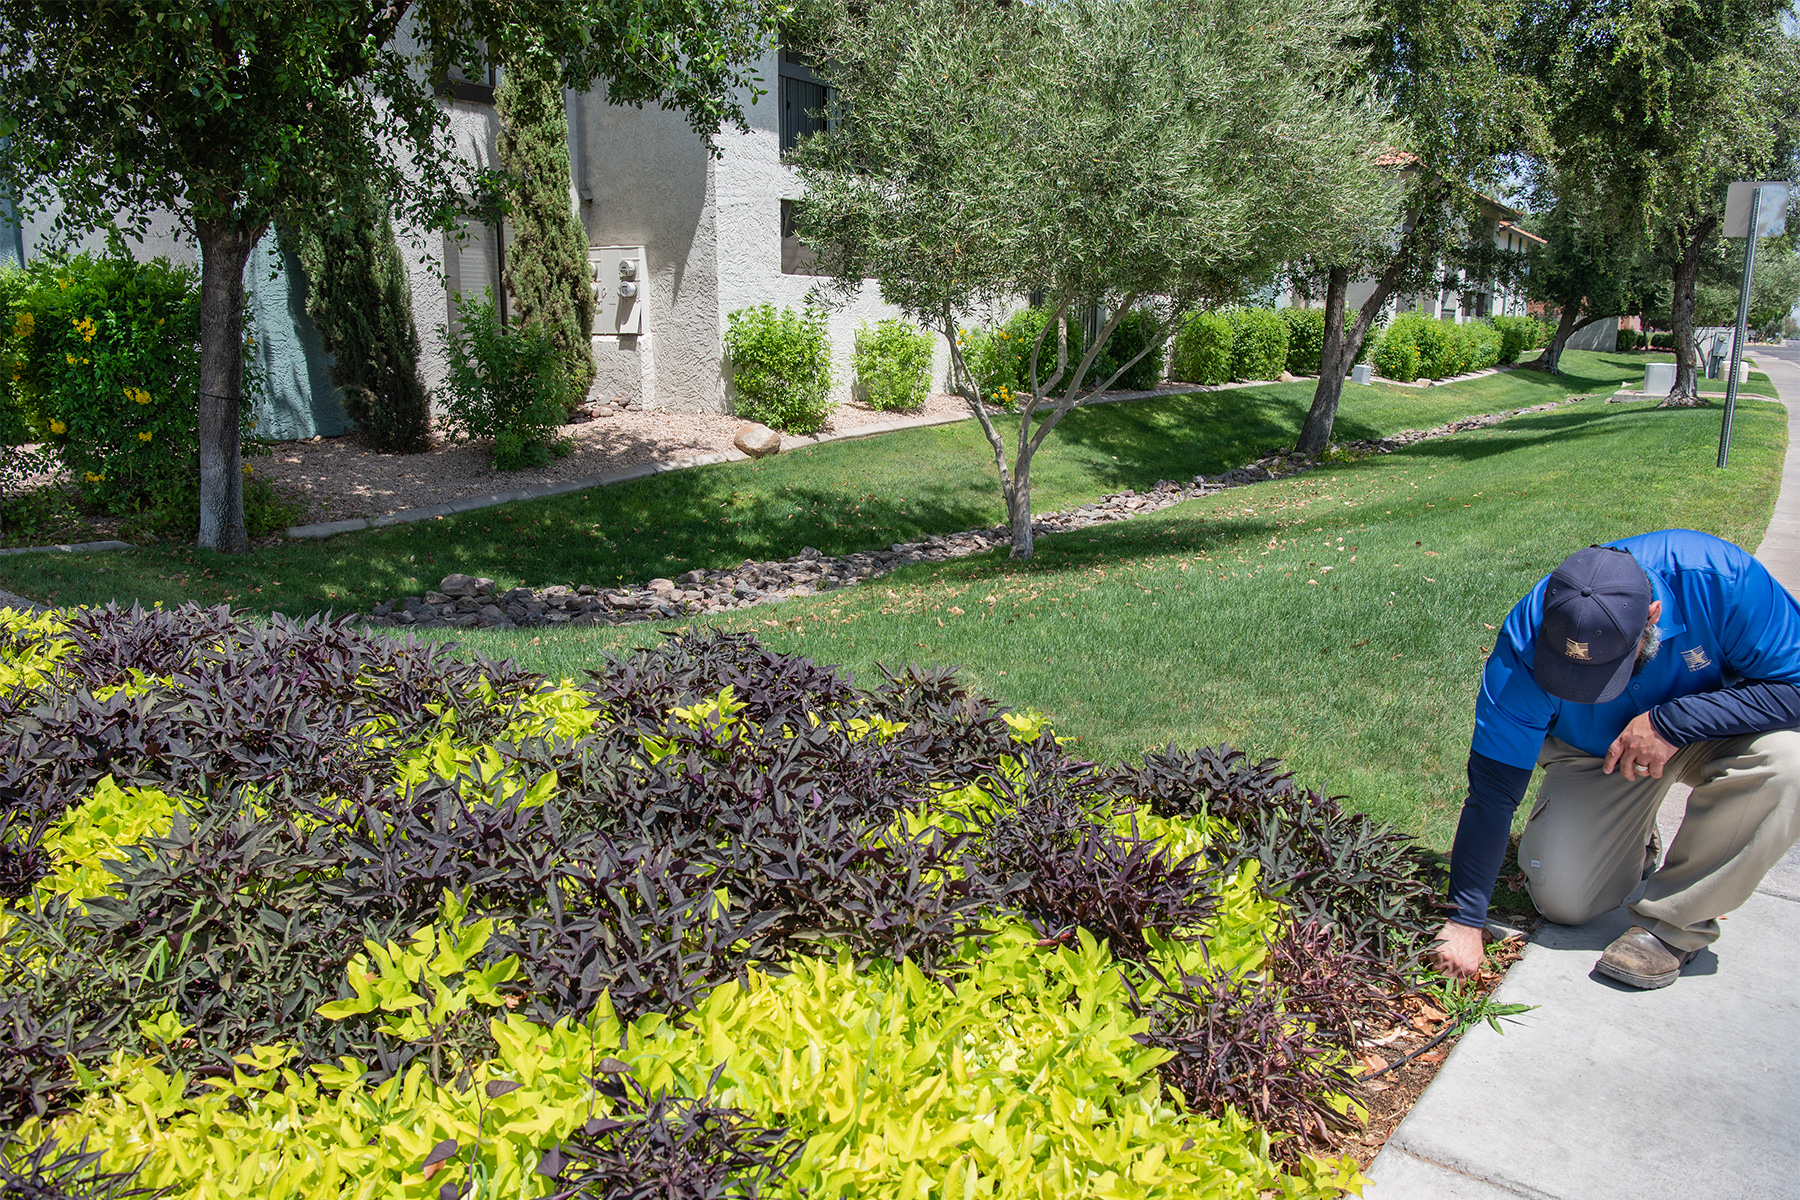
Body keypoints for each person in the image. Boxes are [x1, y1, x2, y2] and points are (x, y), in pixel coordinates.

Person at [1432, 529, 1800, 989]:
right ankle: (1637, 838)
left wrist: (1672, 723)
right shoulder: (1524, 643)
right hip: (1600, 754)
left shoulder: (1718, 578)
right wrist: (1466, 920)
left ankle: (1672, 929)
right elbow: (1492, 793)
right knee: (1566, 901)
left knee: (1789, 764)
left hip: (1714, 732)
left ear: (1652, 618)